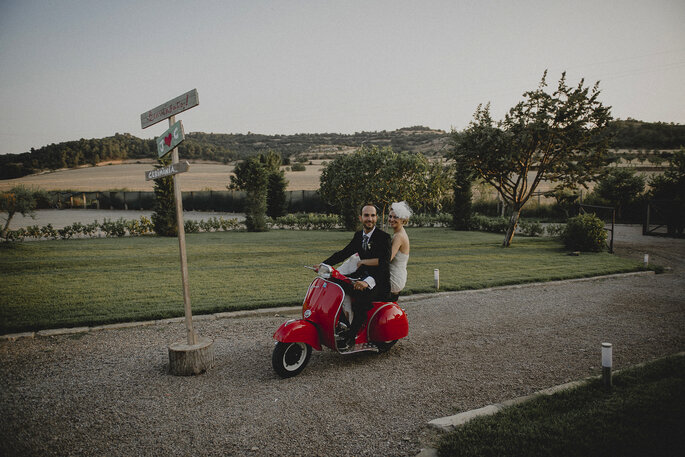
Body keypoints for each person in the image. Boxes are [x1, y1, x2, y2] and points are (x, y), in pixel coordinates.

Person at [316, 204, 391, 348]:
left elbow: (384, 264)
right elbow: (343, 253)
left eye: (372, 215)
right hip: (361, 275)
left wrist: (367, 282)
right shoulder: (358, 236)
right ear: (360, 217)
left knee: (361, 297)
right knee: (336, 283)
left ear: (376, 218)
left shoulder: (384, 237)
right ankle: (343, 324)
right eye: (366, 215)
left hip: (378, 282)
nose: (370, 219)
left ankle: (351, 337)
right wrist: (323, 265)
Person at [357, 201, 412, 301]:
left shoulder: (399, 237)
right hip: (393, 274)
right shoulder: (398, 233)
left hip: (394, 278)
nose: (391, 219)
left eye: (395, 217)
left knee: (363, 289)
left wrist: (363, 261)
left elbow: (386, 259)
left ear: (403, 219)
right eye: (390, 216)